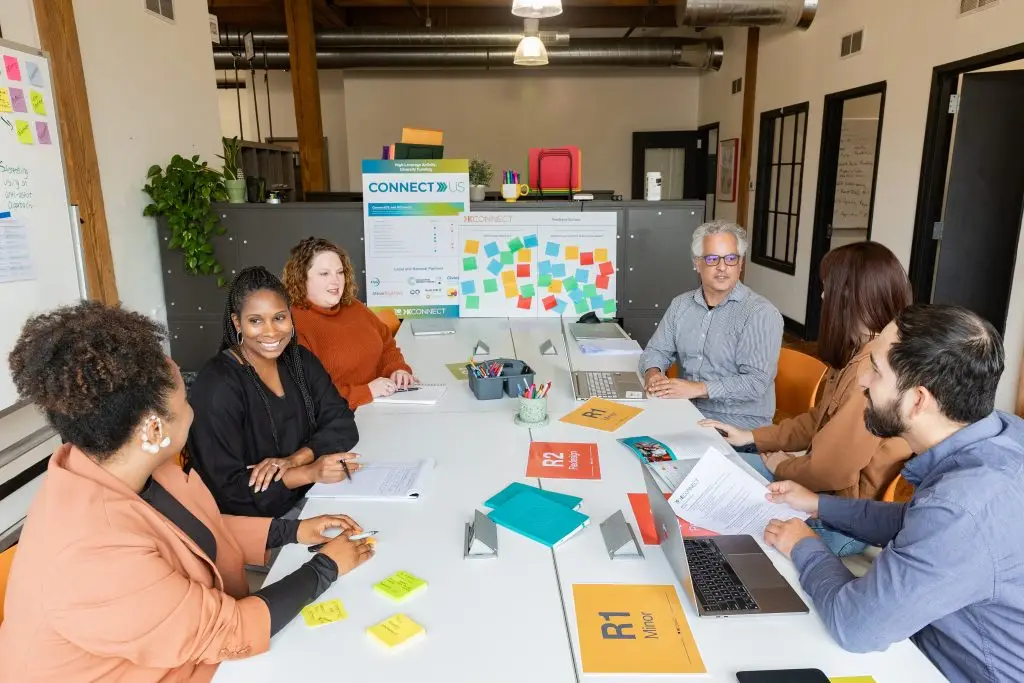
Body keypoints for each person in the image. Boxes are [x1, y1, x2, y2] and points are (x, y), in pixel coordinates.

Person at [0, 302, 375, 682]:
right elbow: (229, 631)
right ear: (154, 431)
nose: (194, 411)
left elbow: (194, 531)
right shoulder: (91, 553)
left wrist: (292, 531)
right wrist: (326, 567)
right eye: (184, 402)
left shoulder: (119, 462)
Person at [763, 305, 1024, 683]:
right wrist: (817, 504)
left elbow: (855, 626)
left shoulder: (963, 507)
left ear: (918, 400)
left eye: (876, 370)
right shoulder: (1000, 434)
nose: (863, 381)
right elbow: (917, 522)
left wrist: (803, 544)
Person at [701, 242, 913, 556]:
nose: (823, 297)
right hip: (820, 490)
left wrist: (782, 466)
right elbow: (818, 419)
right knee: (712, 470)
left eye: (828, 288)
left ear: (848, 297)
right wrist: (754, 437)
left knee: (717, 522)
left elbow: (830, 470)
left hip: (840, 518)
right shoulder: (859, 352)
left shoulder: (875, 372)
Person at [187, 266, 360, 518]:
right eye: (255, 321)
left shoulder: (300, 361)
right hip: (259, 522)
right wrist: (308, 472)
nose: (271, 332)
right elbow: (226, 491)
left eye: (279, 317)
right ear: (237, 322)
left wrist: (296, 459)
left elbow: (343, 424)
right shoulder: (217, 386)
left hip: (315, 495)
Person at [639, 219, 783, 429]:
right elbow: (656, 350)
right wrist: (653, 373)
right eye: (713, 258)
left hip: (738, 425)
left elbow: (755, 383)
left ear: (741, 264)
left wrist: (697, 389)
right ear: (697, 263)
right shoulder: (681, 305)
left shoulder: (760, 313)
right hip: (684, 411)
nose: (722, 267)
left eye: (731, 258)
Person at [283, 237, 416, 409]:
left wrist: (397, 369)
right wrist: (366, 391)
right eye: (324, 274)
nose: (336, 281)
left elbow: (386, 345)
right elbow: (308, 395)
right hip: (339, 419)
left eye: (340, 272)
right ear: (301, 279)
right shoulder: (293, 325)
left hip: (379, 405)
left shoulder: (355, 307)